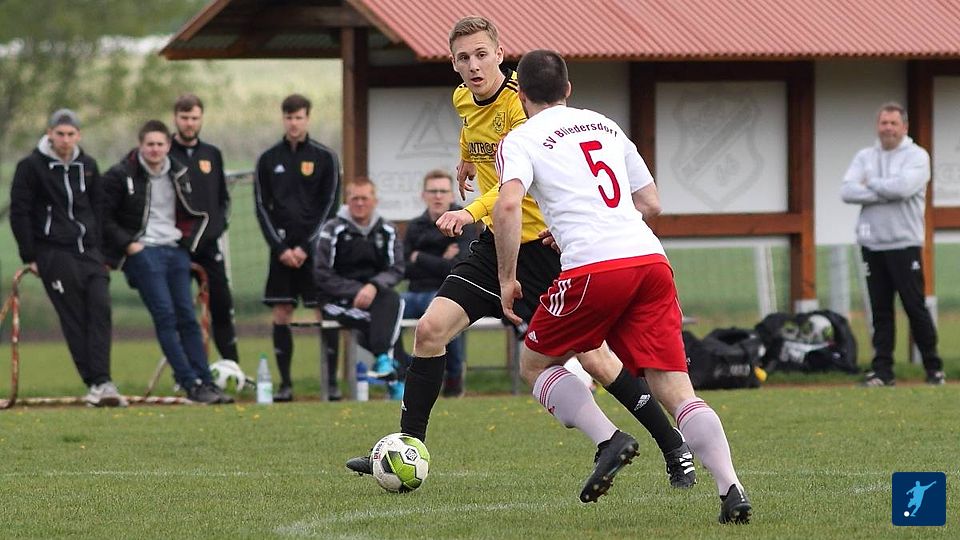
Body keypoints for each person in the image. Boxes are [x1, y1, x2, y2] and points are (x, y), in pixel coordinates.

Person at [347, 16, 696, 499]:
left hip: (542, 251)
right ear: (453, 63)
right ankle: (407, 447)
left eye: (481, 55)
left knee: (595, 359)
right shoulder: (462, 98)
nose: (474, 65)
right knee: (429, 331)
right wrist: (466, 160)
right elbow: (474, 133)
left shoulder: (521, 106)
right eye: (463, 58)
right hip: (496, 248)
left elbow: (515, 190)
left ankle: (673, 445)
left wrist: (468, 210)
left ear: (499, 54)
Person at [494, 49, 751, 522]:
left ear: (521, 95)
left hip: (594, 267)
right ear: (568, 89)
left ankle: (609, 439)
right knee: (677, 389)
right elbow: (650, 203)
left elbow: (508, 205)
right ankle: (730, 487)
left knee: (535, 363)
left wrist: (507, 276)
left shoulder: (520, 138)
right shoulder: (605, 125)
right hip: (650, 261)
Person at [102, 119, 230, 405]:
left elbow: (197, 211)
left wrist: (187, 243)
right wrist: (130, 245)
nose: (155, 149)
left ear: (168, 146)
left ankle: (206, 381)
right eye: (150, 144)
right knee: (166, 317)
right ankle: (189, 382)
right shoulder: (120, 175)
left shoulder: (179, 173)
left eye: (160, 144)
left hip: (175, 250)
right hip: (144, 252)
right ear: (140, 145)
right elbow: (103, 217)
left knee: (188, 318)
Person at [9, 109, 125, 407]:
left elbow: (98, 208)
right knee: (75, 317)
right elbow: (20, 212)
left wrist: (101, 249)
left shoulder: (88, 166)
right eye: (59, 134)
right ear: (49, 133)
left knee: (101, 310)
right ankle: (96, 382)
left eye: (71, 134)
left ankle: (104, 382)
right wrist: (30, 255)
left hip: (89, 251)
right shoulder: (30, 167)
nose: (65, 139)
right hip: (53, 252)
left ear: (79, 136)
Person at [841, 102, 945, 387]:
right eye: (883, 123)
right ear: (878, 126)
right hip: (872, 244)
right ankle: (883, 371)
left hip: (904, 243)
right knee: (880, 311)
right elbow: (847, 191)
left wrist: (870, 184)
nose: (888, 128)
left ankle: (933, 368)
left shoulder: (917, 156)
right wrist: (884, 189)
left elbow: (903, 188)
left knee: (914, 306)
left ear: (904, 127)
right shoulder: (865, 156)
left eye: (893, 123)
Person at [255, 93, 340, 402]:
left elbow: (329, 205)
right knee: (282, 311)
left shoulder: (325, 157)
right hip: (281, 251)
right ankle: (285, 384)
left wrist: (306, 245)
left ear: (308, 118)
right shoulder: (268, 159)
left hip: (313, 252)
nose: (294, 123)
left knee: (323, 312)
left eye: (299, 117)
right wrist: (280, 248)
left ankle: (330, 383)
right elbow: (261, 207)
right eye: (289, 117)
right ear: (283, 119)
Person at [314, 177, 406, 400]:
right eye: (355, 198)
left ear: (375, 200)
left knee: (393, 301)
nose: (360, 203)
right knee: (386, 322)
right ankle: (395, 374)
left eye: (365, 198)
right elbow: (322, 273)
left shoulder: (387, 229)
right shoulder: (332, 229)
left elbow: (397, 268)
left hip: (375, 296)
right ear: (347, 200)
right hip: (337, 300)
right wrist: (357, 291)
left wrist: (373, 287)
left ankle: (386, 364)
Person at [169, 93, 240, 365]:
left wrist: (216, 228)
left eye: (194, 118)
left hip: (209, 247)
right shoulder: (165, 154)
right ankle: (186, 373)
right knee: (180, 311)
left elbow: (223, 200)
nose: (189, 123)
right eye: (184, 118)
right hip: (177, 246)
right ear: (175, 118)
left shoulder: (212, 154)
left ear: (201, 119)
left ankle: (232, 368)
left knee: (222, 305)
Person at [402, 169, 477, 397]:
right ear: (423, 195)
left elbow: (458, 267)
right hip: (413, 292)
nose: (437, 196)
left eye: (443, 191)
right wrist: (441, 258)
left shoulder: (465, 223)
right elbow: (404, 267)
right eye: (432, 191)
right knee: (386, 311)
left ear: (451, 195)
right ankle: (402, 371)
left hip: (449, 291)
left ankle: (453, 377)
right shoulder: (414, 226)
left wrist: (420, 257)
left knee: (442, 315)